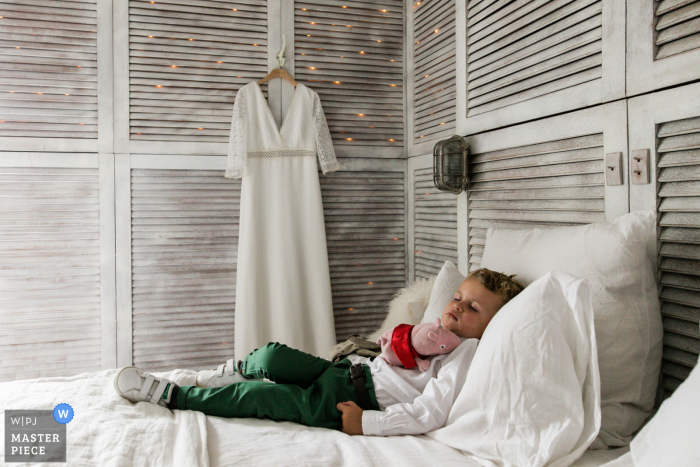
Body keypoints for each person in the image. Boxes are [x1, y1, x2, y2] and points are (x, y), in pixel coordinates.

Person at [114, 268, 524, 436]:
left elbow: (429, 412)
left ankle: (171, 395)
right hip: (346, 371)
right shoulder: (433, 332)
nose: (456, 307)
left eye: (473, 308)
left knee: (263, 398)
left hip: (350, 401)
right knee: (274, 356)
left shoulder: (465, 355)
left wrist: (369, 423)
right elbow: (391, 350)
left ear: (492, 325)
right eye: (457, 297)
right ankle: (235, 370)